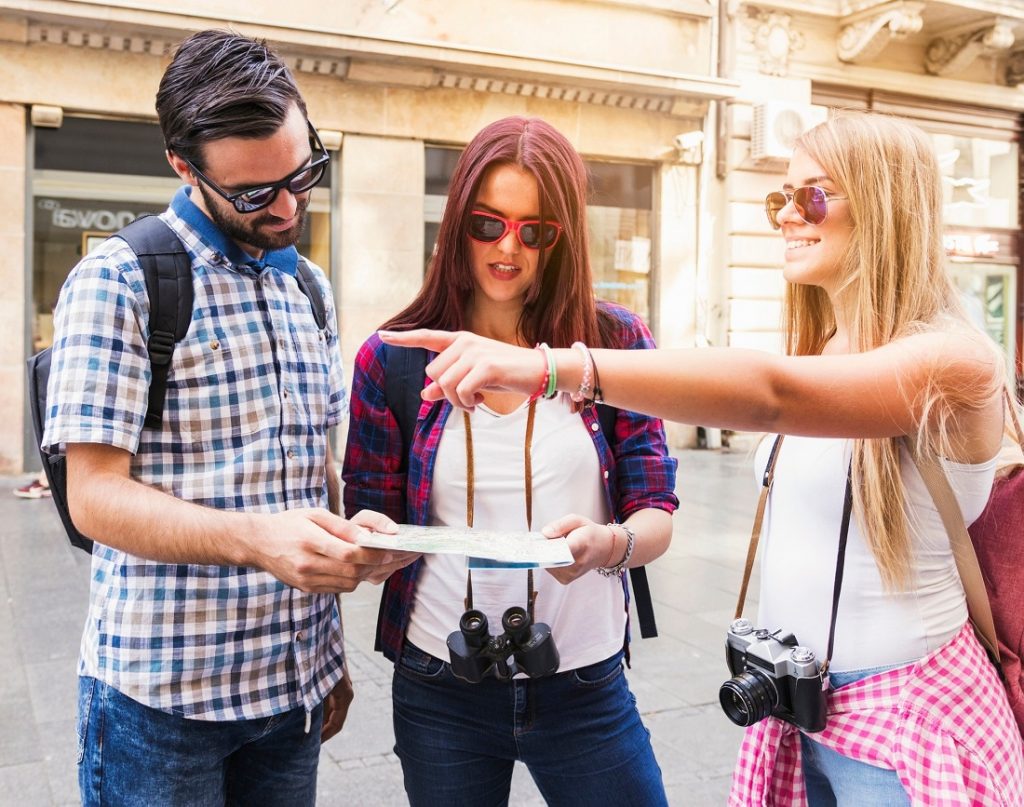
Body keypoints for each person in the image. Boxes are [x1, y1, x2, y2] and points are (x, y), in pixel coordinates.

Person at [379, 112, 1024, 804]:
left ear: (885, 205)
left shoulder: (959, 361)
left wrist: (548, 368)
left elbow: (768, 395)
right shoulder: (827, 347)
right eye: (781, 198)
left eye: (813, 196)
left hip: (907, 727)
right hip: (797, 715)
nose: (786, 216)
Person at [42, 30, 416, 806]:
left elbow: (310, 470)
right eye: (253, 193)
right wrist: (258, 540)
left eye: (303, 173)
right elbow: (94, 496)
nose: (286, 206)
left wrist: (332, 627)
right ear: (184, 166)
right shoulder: (118, 279)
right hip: (161, 703)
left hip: (294, 691)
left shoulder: (308, 286)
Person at [342, 116, 679, 805]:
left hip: (585, 683)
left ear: (562, 239)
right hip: (441, 684)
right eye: (488, 223)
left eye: (535, 230)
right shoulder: (394, 358)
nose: (508, 247)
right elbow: (368, 506)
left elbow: (657, 512)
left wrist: (609, 543)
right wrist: (374, 540)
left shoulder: (612, 342)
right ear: (456, 220)